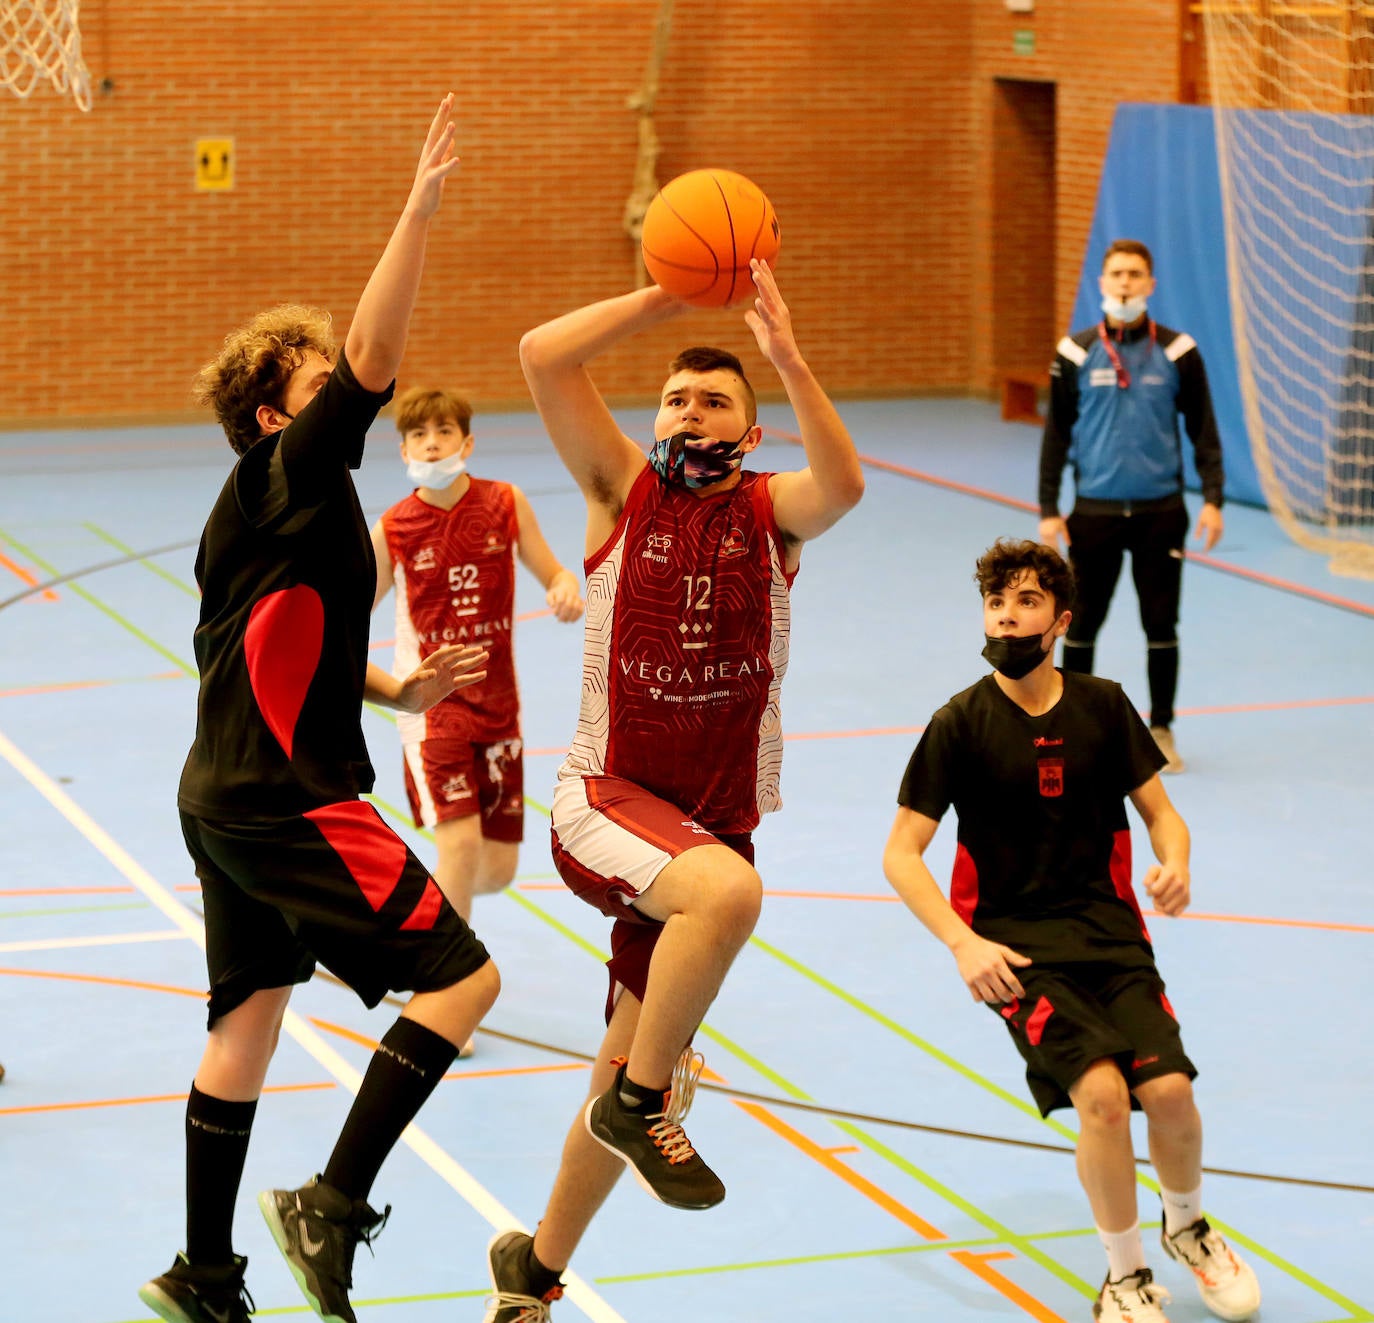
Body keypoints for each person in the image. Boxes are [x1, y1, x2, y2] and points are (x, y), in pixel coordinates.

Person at [138, 97, 501, 1323]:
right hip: (288, 801)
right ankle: (331, 1202)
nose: (348, 391)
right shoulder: (289, 470)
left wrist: (400, 683)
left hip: (223, 794)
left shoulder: (276, 511)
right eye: (319, 381)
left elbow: (280, 650)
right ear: (277, 414)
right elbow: (374, 356)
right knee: (463, 983)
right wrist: (417, 206)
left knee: (245, 1026)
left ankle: (202, 1274)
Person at [480, 259, 864, 1321]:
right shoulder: (622, 489)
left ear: (750, 429)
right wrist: (664, 296)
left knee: (621, 1054)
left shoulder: (769, 511)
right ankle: (644, 1105)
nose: (689, 410)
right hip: (604, 802)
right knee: (727, 909)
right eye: (676, 396)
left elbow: (844, 487)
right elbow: (542, 357)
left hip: (709, 831)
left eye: (715, 400)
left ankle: (534, 1276)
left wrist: (787, 358)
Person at [882, 537, 1260, 1323]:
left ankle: (1188, 1228)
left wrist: (1176, 864)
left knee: (1170, 1091)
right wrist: (964, 942)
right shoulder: (958, 723)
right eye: (996, 602)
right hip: (1016, 951)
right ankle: (1124, 1277)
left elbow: (1163, 816)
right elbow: (901, 854)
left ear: (1060, 619)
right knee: (1102, 1097)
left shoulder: (1103, 705)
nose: (1008, 617)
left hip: (1113, 938)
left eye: (1025, 602)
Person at [371, 385, 584, 1055]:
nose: (431, 442)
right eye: (418, 434)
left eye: (443, 430)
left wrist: (562, 586)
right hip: (431, 707)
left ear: (467, 442)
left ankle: (413, 924)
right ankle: (445, 990)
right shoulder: (394, 527)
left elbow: (549, 568)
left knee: (495, 869)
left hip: (499, 703)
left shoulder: (504, 502)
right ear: (403, 449)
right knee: (459, 846)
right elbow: (351, 607)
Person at [1038, 238, 1225, 774]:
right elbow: (1056, 435)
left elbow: (1204, 432)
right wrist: (1050, 507)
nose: (1124, 282)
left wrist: (1212, 499)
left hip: (1159, 512)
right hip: (1093, 514)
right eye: (1116, 273)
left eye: (1135, 275)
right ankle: (1074, 727)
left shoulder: (1178, 352)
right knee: (1081, 624)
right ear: (1102, 283)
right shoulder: (1074, 354)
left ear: (1150, 285)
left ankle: (1161, 728)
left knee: (1161, 623)